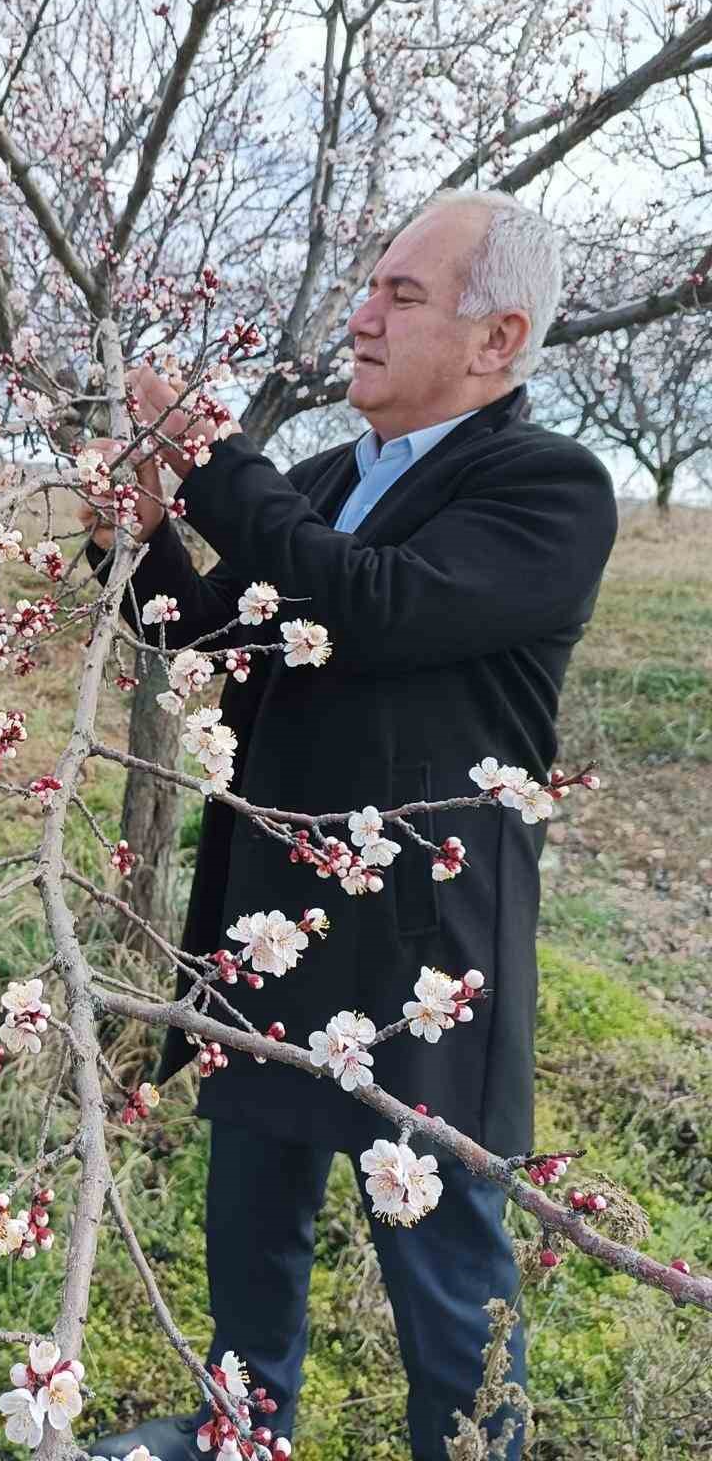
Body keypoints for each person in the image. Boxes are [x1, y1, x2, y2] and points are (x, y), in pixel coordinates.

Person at [79, 190, 619, 1460]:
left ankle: (475, 1451)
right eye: (370, 288)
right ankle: (239, 1426)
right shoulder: (326, 478)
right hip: (272, 903)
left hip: (425, 945)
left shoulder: (548, 488)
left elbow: (371, 607)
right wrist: (141, 530)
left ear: (498, 340)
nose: (362, 319)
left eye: (403, 296)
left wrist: (213, 458)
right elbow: (215, 636)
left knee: (445, 1266)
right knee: (249, 1209)